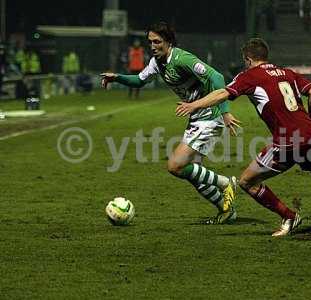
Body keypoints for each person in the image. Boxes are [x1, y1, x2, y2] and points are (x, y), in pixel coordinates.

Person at [176, 38, 311, 236]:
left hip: (287, 140)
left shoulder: (250, 75)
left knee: (247, 182)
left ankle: (289, 216)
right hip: (309, 135)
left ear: (247, 58)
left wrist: (194, 105)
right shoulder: (287, 73)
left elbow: (222, 93)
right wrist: (310, 119)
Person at [101, 22, 242, 224]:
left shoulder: (182, 58)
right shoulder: (156, 62)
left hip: (209, 114)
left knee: (175, 165)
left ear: (168, 41)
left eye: (157, 41)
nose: (152, 46)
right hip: (198, 117)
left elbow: (217, 77)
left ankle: (227, 183)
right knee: (194, 172)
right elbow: (139, 80)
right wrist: (117, 78)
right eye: (150, 42)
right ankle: (227, 211)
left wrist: (225, 112)